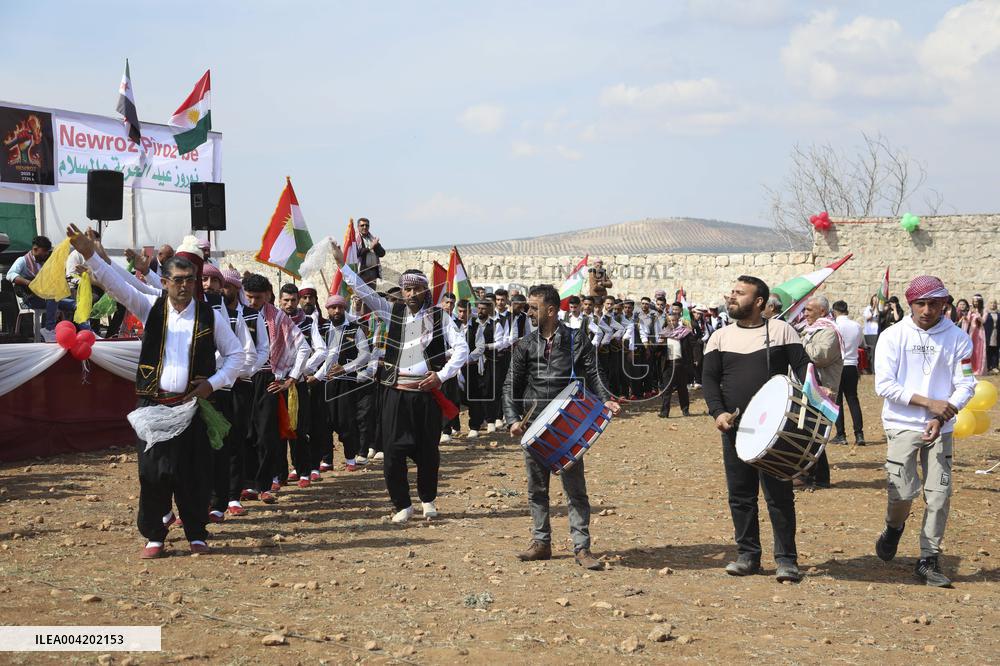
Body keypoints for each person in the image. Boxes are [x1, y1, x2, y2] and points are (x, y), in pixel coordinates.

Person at [67, 224, 244, 558]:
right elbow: (115, 284)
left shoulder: (210, 316)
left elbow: (237, 355)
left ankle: (196, 534)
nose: (184, 287)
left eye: (189, 280)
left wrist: (212, 383)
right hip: (154, 406)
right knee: (152, 473)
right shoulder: (150, 307)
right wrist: (90, 254)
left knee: (193, 474)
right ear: (164, 283)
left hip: (192, 409)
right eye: (177, 280)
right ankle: (155, 536)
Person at [332, 241, 469, 523]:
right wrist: (342, 265)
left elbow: (462, 348)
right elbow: (363, 291)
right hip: (395, 393)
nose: (412, 294)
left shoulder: (439, 317)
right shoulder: (389, 310)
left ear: (425, 291)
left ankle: (428, 501)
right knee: (392, 452)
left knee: (428, 452)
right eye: (407, 289)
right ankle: (402, 505)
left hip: (426, 395)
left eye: (417, 288)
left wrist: (441, 376)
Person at [503, 284, 620, 570]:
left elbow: (594, 373)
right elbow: (510, 385)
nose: (528, 311)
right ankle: (541, 543)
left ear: (551, 311)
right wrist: (513, 419)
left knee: (575, 490)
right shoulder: (525, 345)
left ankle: (581, 548)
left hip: (568, 425)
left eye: (533, 307)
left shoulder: (576, 339)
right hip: (534, 425)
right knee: (537, 489)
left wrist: (606, 400)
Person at [702, 275, 811, 582]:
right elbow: (709, 380)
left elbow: (804, 370)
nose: (731, 296)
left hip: (776, 430)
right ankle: (747, 555)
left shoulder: (781, 330)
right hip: (735, 429)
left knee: (779, 495)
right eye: (731, 291)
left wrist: (807, 404)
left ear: (759, 302)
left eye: (739, 293)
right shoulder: (719, 337)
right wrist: (718, 412)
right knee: (741, 494)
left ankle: (786, 560)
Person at [873, 276, 975, 587]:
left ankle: (928, 559)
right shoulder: (892, 336)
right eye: (921, 303)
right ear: (910, 304)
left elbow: (966, 384)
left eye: (934, 303)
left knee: (939, 495)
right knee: (902, 492)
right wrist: (929, 403)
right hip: (902, 425)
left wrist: (942, 416)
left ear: (945, 303)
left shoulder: (959, 339)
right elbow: (884, 385)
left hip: (941, 429)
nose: (927, 310)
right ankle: (894, 527)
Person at [242, 274, 309, 504]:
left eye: (257, 298)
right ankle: (245, 484)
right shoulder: (237, 313)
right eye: (248, 297)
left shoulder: (277, 317)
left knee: (266, 436)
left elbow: (303, 347)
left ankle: (263, 485)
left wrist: (290, 378)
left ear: (268, 295)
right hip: (240, 380)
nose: (252, 302)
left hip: (267, 381)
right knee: (244, 434)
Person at [317, 294, 371, 471]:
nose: (337, 311)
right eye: (333, 307)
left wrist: (346, 368)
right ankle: (326, 460)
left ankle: (350, 458)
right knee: (324, 421)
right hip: (324, 382)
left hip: (346, 382)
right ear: (328, 310)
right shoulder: (321, 329)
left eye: (340, 307)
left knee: (346, 421)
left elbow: (365, 355)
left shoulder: (355, 330)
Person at [798, 295, 843, 489]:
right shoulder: (810, 330)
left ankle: (817, 477)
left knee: (814, 433)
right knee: (807, 432)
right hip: (809, 387)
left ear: (822, 312)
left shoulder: (829, 332)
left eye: (809, 310)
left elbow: (819, 356)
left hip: (822, 389)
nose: (805, 313)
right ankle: (811, 476)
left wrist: (798, 344)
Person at [5, 235, 75, 340]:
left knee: (75, 304)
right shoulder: (22, 260)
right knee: (53, 296)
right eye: (45, 251)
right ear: (35, 249)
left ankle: (85, 332)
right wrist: (30, 283)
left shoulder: (45, 262)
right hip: (30, 299)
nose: (47, 253)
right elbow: (10, 275)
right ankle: (49, 329)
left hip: (47, 299)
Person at [832, 300, 865, 445]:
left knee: (837, 401)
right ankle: (859, 434)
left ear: (834, 311)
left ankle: (841, 434)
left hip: (838, 365)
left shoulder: (834, 326)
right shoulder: (857, 325)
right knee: (853, 399)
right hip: (852, 365)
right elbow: (859, 343)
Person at [659, 311, 692, 418]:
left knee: (682, 389)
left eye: (673, 320)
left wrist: (694, 360)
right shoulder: (664, 334)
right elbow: (657, 351)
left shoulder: (685, 332)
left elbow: (691, 347)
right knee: (667, 389)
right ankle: (664, 412)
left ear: (678, 321)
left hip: (681, 364)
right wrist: (658, 343)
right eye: (669, 321)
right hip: (668, 365)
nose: (672, 322)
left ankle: (685, 410)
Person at [957, 297, 986, 376]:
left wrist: (977, 313)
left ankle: (979, 369)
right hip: (971, 332)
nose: (975, 303)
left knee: (978, 350)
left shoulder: (983, 311)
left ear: (980, 302)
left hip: (979, 332)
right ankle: (971, 368)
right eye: (974, 302)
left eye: (977, 302)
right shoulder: (970, 311)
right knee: (971, 350)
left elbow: (983, 321)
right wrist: (965, 318)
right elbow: (968, 321)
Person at [355, 217, 386, 285]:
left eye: (367, 225)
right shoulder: (355, 239)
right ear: (358, 227)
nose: (365, 227)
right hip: (361, 273)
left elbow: (382, 253)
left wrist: (376, 245)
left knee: (371, 294)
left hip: (372, 273)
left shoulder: (372, 238)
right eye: (362, 225)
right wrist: (369, 247)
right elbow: (356, 253)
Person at [862, 295, 882, 373]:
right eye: (874, 300)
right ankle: (869, 368)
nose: (875, 302)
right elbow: (867, 318)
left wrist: (877, 308)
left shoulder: (880, 309)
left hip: (877, 333)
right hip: (869, 333)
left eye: (876, 300)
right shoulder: (868, 308)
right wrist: (873, 309)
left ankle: (875, 369)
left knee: (876, 351)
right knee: (869, 351)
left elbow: (880, 318)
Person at [985, 298, 1000, 373]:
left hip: (996, 333)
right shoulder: (986, 313)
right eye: (991, 303)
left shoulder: (998, 313)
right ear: (988, 304)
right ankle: (988, 366)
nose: (993, 304)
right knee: (988, 350)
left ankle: (994, 366)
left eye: (994, 303)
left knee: (995, 350)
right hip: (988, 333)